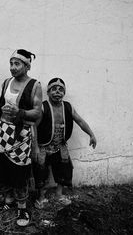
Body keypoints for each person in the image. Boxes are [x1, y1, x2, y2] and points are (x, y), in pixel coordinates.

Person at [0, 49, 42, 227]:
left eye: (17, 64)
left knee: (20, 171)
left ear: (27, 66)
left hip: (22, 134)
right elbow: (3, 102)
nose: (12, 67)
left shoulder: (35, 85)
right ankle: (8, 201)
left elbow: (37, 112)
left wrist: (20, 112)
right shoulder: (6, 82)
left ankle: (22, 207)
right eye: (11, 63)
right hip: (3, 131)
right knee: (4, 168)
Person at [33, 77, 97, 209]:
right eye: (54, 89)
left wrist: (91, 134)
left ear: (64, 92)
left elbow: (80, 121)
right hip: (44, 146)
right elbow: (34, 127)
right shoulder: (43, 107)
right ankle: (41, 197)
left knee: (64, 169)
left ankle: (59, 194)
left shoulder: (68, 107)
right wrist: (35, 147)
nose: (57, 92)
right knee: (41, 171)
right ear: (48, 92)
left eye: (61, 90)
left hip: (60, 146)